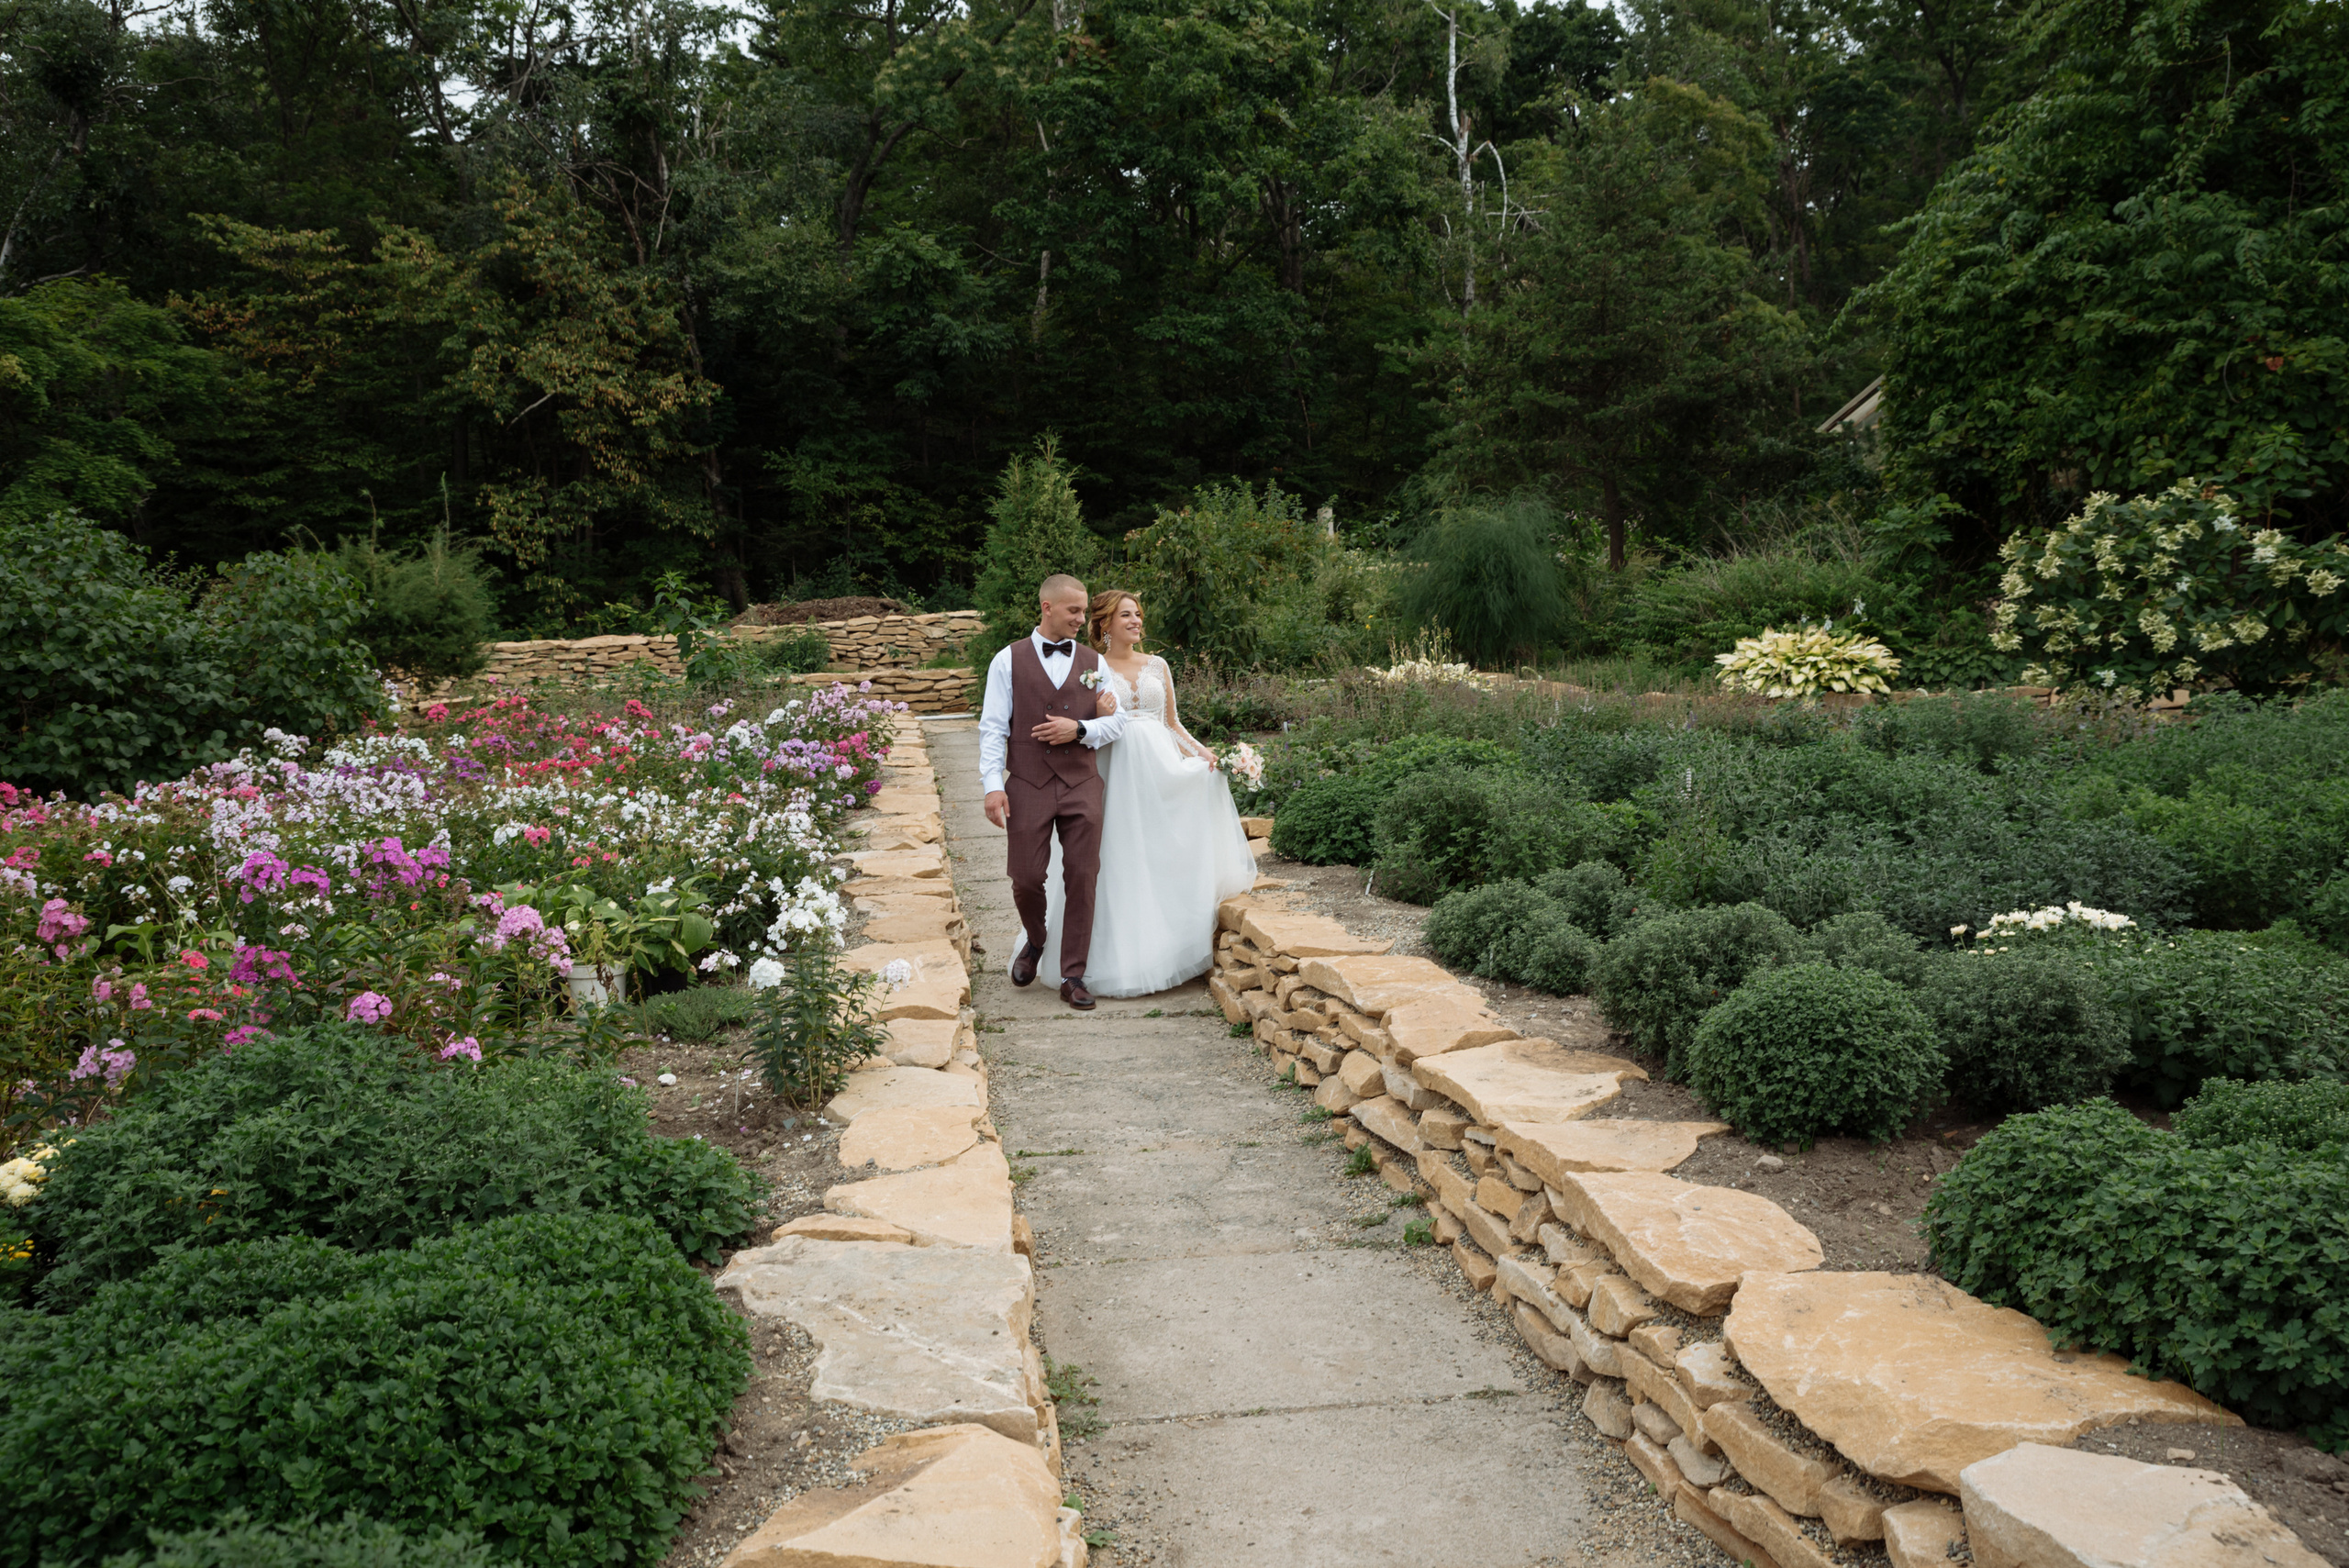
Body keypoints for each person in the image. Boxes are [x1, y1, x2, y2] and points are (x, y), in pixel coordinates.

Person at [1038, 589, 1258, 997]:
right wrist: (1098, 715)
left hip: (1160, 770)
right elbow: (1079, 725)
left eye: (1138, 614)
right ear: (1105, 623)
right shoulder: (1089, 667)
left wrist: (1206, 755)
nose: (1136, 621)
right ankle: (1105, 960)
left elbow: (1171, 723)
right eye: (1126, 615)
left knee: (1159, 855)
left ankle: (1165, 951)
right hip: (1114, 771)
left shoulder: (1158, 665)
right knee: (1116, 859)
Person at [979, 573, 1129, 1009]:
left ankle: (1073, 974)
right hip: (1027, 783)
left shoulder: (1094, 663)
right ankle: (1036, 938)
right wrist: (993, 786)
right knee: (1025, 877)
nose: (1082, 619)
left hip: (1082, 783)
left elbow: (1119, 722)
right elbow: (992, 729)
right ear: (1047, 607)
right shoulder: (1007, 660)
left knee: (1082, 876)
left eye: (1083, 610)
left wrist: (1079, 728)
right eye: (1074, 610)